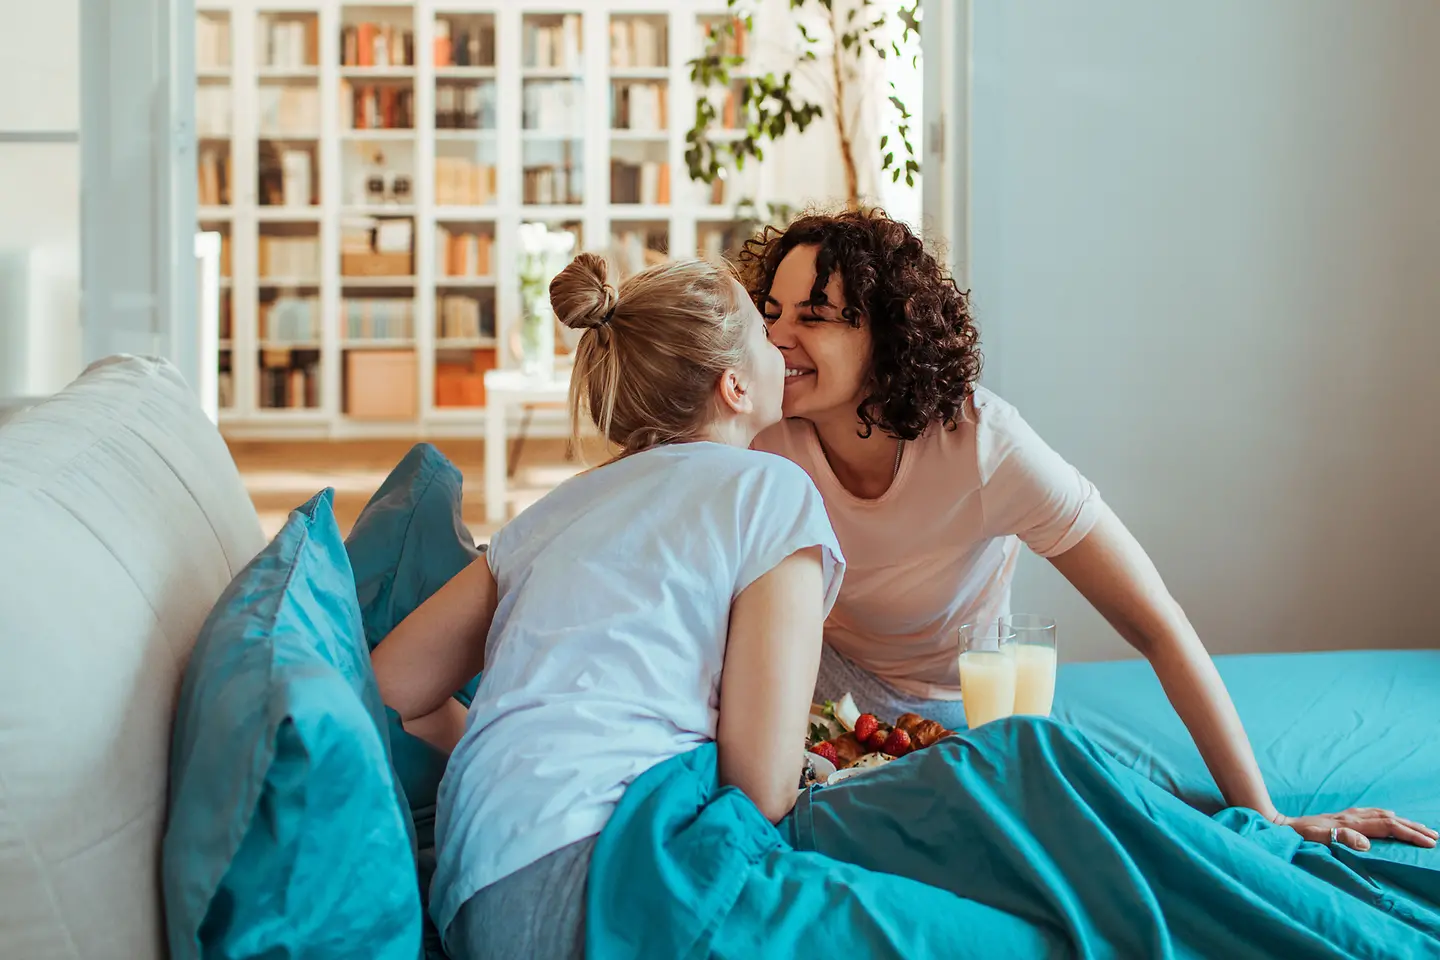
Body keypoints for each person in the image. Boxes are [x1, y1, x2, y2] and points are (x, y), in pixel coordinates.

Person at [738, 207, 1437, 853]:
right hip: (817, 687)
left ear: (888, 332)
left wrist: (1267, 816)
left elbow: (1155, 623)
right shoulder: (757, 436)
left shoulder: (983, 448)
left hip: (957, 704)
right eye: (770, 312)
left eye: (815, 314)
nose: (776, 336)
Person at [370, 253, 846, 959]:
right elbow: (763, 788)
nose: (780, 339)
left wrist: (512, 742)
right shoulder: (769, 492)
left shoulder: (550, 513)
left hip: (478, 884)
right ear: (735, 385)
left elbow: (389, 690)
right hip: (606, 875)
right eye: (762, 324)